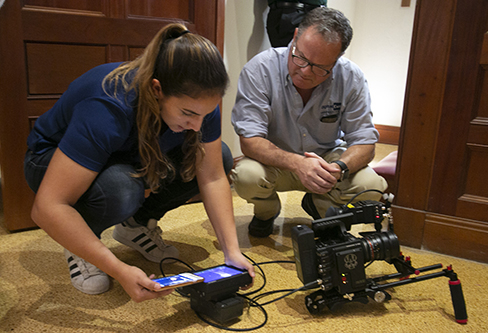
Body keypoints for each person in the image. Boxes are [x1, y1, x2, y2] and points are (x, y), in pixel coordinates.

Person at [24, 23, 255, 302]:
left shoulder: (199, 106)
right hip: (49, 161)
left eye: (204, 115)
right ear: (157, 89)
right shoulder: (109, 102)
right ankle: (82, 243)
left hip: (124, 157)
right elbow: (47, 207)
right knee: (121, 187)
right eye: (187, 113)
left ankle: (136, 225)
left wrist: (232, 252)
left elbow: (213, 177)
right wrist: (118, 268)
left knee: (220, 156)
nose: (196, 125)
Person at [231, 7, 388, 238]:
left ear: (337, 60)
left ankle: (322, 206)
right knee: (246, 177)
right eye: (300, 57)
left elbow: (365, 143)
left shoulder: (352, 77)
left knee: (372, 186)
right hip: (276, 162)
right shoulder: (260, 69)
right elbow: (250, 141)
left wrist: (338, 169)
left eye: (320, 67)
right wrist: (298, 164)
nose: (305, 71)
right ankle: (266, 212)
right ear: (295, 37)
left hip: (327, 162)